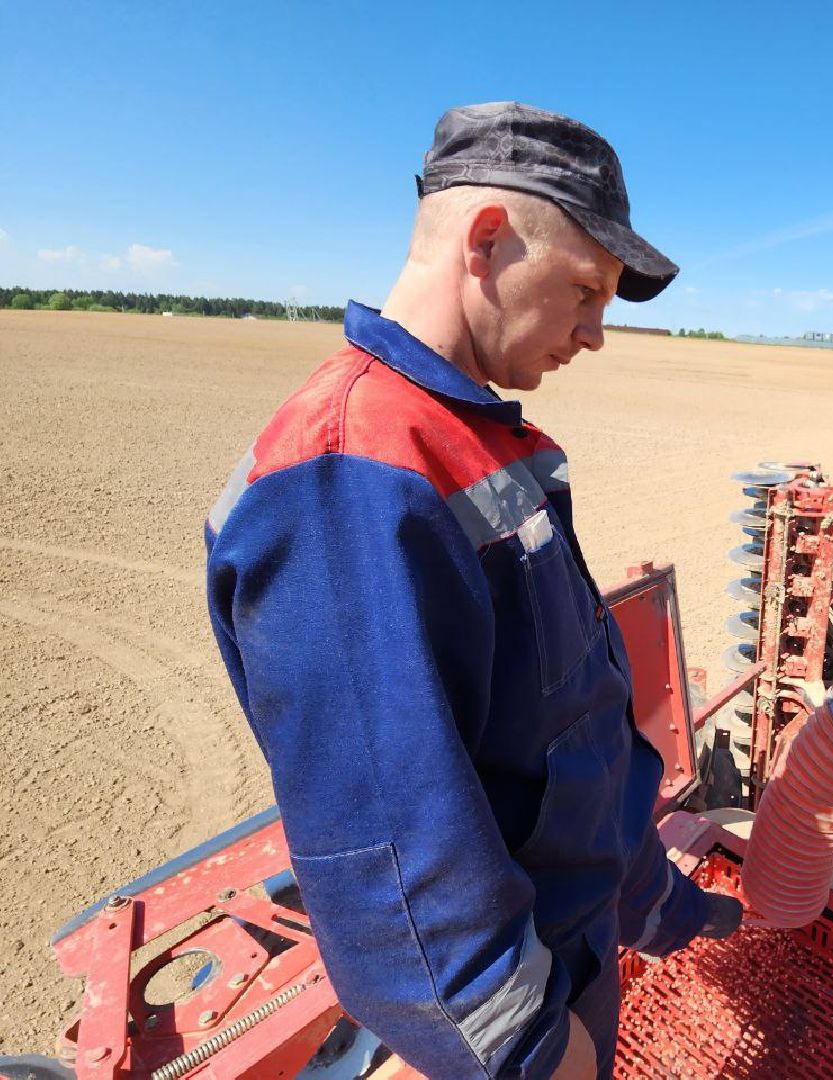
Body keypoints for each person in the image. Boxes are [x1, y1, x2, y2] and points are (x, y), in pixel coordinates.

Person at [204, 102, 742, 1079]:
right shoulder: (352, 470)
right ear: (486, 238)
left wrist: (658, 903)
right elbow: (388, 844)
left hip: (567, 954)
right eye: (585, 289)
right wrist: (534, 1051)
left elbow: (567, 730)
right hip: (523, 1016)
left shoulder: (480, 444)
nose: (595, 334)